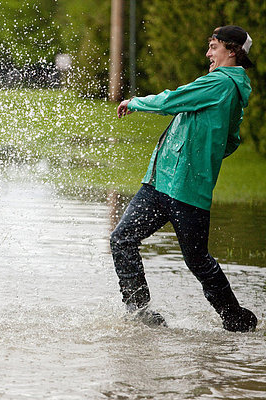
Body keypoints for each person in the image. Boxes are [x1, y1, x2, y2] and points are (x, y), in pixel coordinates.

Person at [111, 26, 257, 332]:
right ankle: (141, 315)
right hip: (161, 182)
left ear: (232, 51)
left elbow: (172, 100)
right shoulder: (229, 88)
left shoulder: (221, 83)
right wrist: (204, 153)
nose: (208, 53)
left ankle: (235, 318)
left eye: (213, 47)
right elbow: (231, 140)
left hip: (184, 189)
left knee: (197, 260)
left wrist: (136, 102)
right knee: (123, 239)